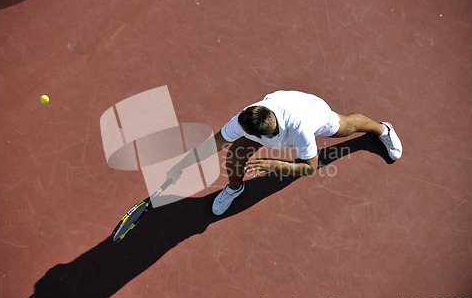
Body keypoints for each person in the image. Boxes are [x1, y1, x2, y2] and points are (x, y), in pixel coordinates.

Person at [167, 90, 402, 216]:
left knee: (348, 126)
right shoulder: (246, 118)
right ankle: (234, 188)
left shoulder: (302, 130)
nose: (239, 132)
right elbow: (214, 143)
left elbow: (309, 167)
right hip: (282, 105)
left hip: (313, 110)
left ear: (268, 137)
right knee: (235, 155)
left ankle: (383, 128)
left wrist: (275, 164)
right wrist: (181, 165)